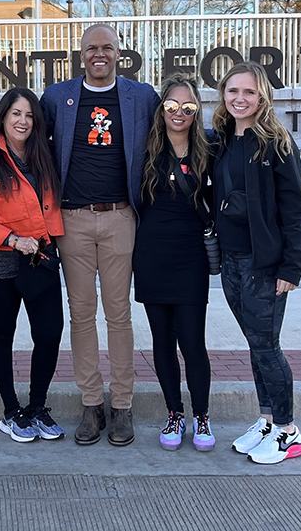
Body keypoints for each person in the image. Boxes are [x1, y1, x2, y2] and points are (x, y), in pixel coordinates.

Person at [40, 23, 160, 446]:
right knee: (81, 313)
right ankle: (91, 403)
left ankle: (122, 405)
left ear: (118, 52)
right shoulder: (57, 97)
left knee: (119, 313)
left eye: (107, 47)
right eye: (92, 48)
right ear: (81, 54)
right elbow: (36, 149)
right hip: (72, 219)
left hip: (120, 217)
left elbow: (172, 137)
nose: (99, 54)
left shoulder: (140, 96)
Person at [211, 60, 301, 465]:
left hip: (263, 264)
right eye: (233, 91)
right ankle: (267, 419)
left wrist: (291, 267)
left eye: (248, 92)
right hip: (231, 261)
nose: (240, 98)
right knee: (255, 345)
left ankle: (289, 432)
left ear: (262, 96)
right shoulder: (219, 140)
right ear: (223, 94)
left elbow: (295, 209)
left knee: (267, 347)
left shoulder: (277, 142)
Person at [0, 87, 66, 443]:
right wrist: (10, 239)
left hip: (40, 256)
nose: (23, 121)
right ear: (3, 119)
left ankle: (37, 407)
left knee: (50, 333)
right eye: (15, 114)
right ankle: (11, 410)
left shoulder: (45, 158)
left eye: (29, 115)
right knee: (3, 334)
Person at [132, 74, 216, 452]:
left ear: (197, 111)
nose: (178, 113)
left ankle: (202, 416)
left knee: (192, 341)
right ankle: (174, 414)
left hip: (190, 256)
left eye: (188, 107)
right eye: (170, 106)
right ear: (160, 109)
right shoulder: (145, 149)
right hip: (151, 254)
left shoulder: (211, 147)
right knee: (162, 342)